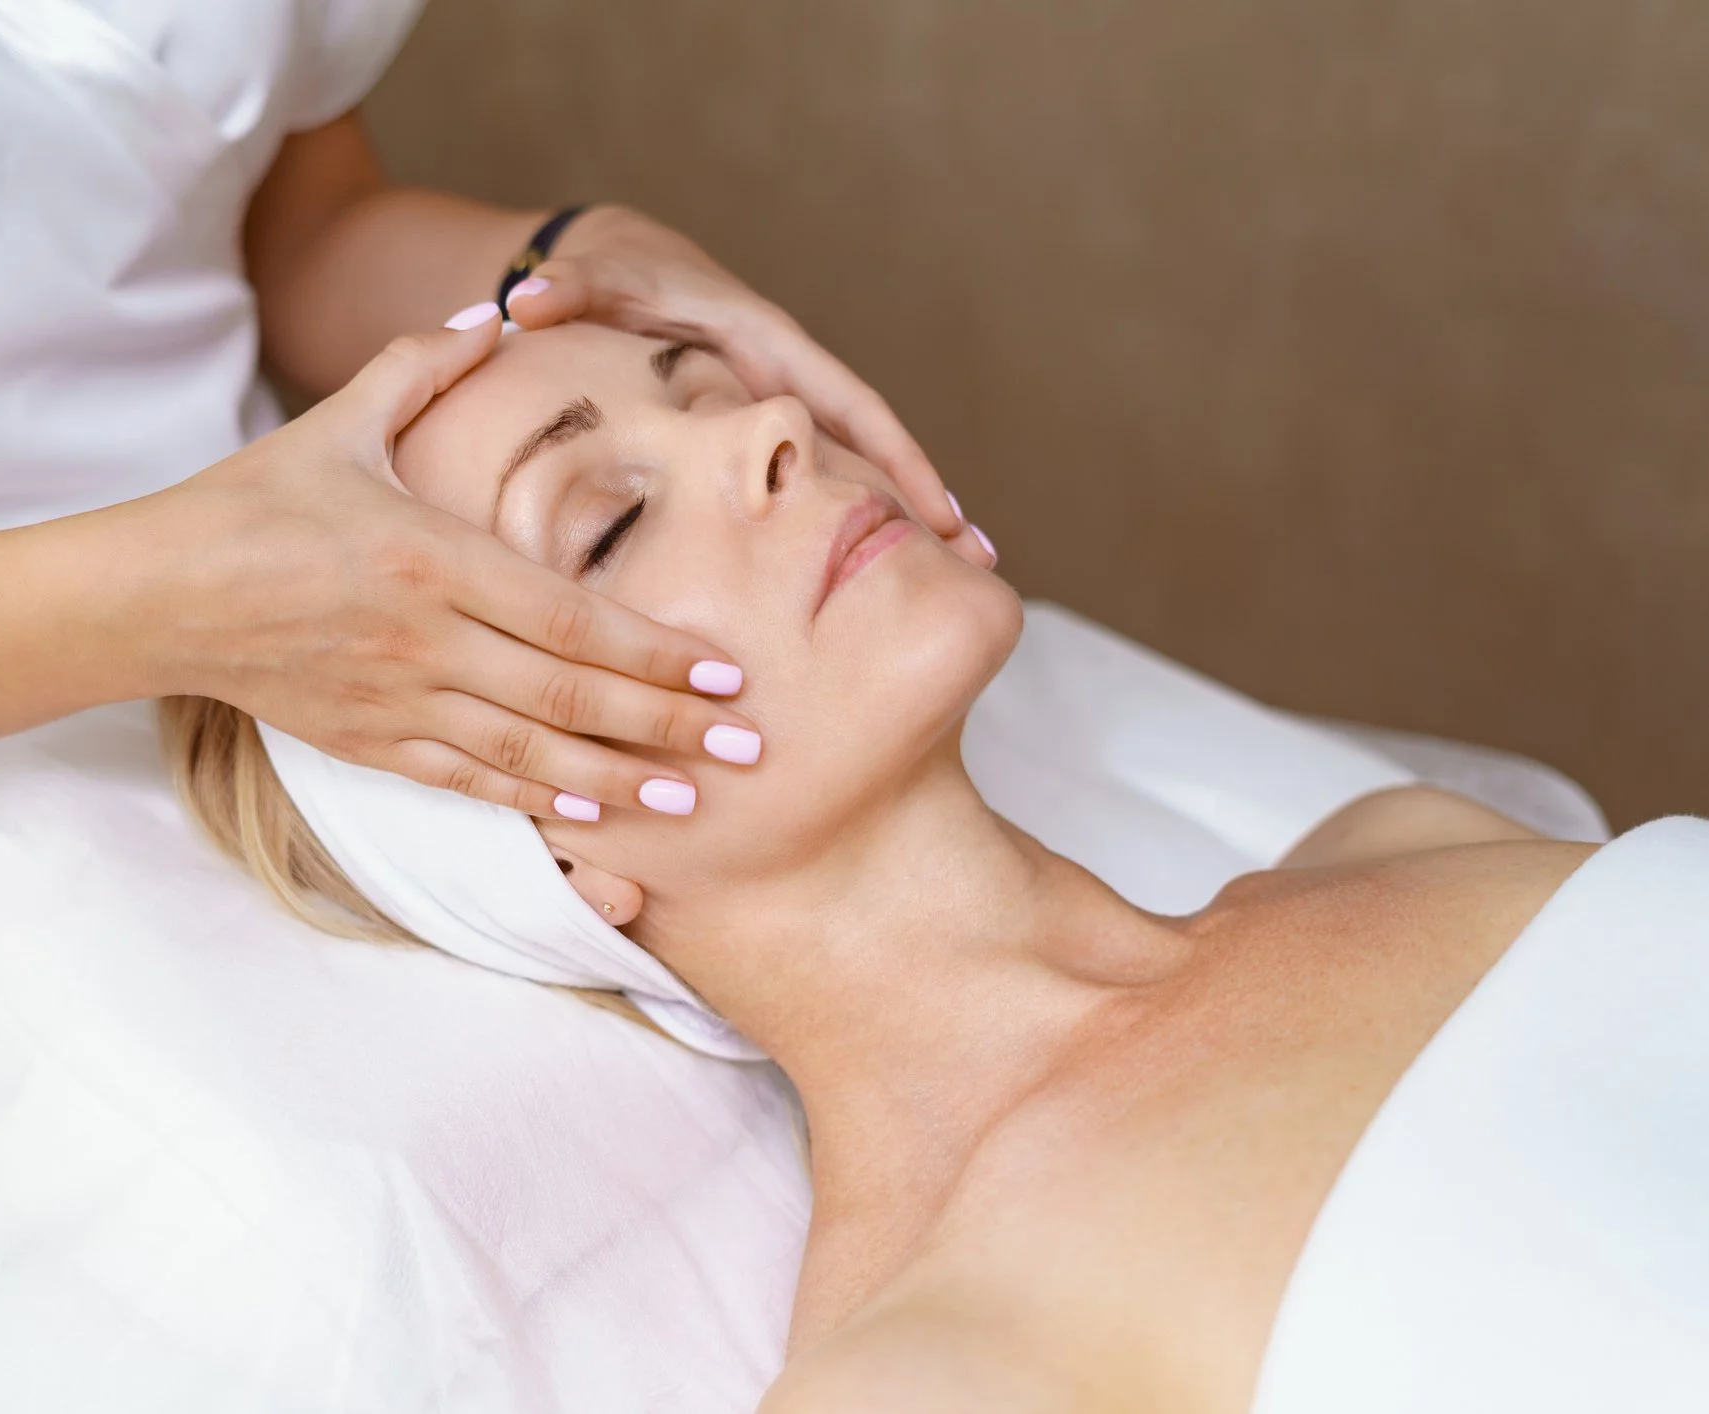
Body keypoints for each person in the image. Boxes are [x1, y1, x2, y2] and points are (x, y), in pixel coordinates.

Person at [163, 317, 1704, 1411]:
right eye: (611, 521)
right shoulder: (930, 1370)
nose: (771, 430)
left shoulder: (1406, 840)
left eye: (706, 388)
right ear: (550, 853)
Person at [0, 2, 987, 1164]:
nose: (768, 434)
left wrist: (564, 262)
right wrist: (172, 600)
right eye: (609, 528)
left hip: (317, 732)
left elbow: (298, 225)